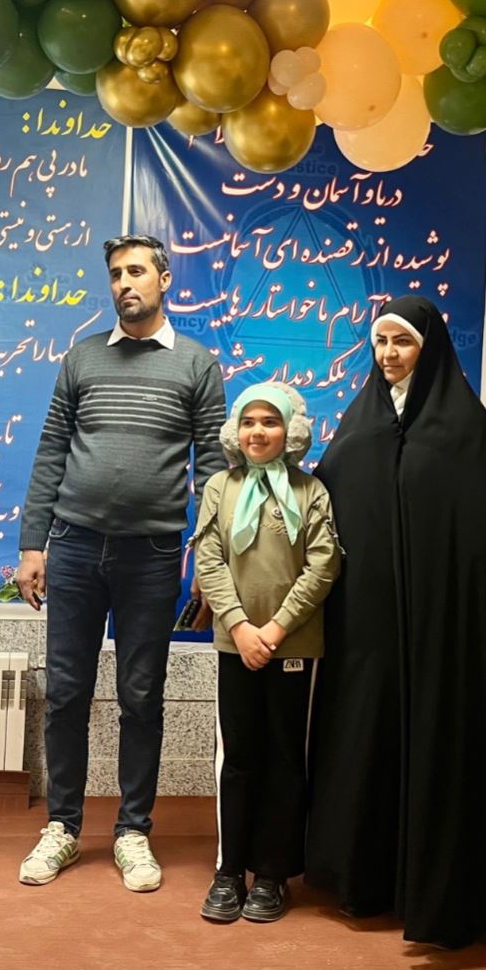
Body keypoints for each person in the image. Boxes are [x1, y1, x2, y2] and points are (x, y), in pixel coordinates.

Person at [305, 295, 486, 948]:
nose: (388, 354)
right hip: (367, 630)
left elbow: (480, 540)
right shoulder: (359, 426)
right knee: (365, 731)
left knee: (438, 732)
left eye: (401, 342)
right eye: (380, 342)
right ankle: (362, 876)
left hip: (440, 629)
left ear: (428, 349)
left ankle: (438, 890)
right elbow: (324, 509)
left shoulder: (464, 431)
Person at [15, 234, 226, 893]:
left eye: (136, 271)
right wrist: (32, 545)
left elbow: (213, 469)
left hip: (153, 555)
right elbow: (52, 450)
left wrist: (209, 559)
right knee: (66, 693)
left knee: (141, 697)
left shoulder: (196, 364)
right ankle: (62, 827)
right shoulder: (82, 358)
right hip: (75, 547)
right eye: (115, 274)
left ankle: (133, 831)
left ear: (164, 280)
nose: (124, 283)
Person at [192, 383, 340, 923]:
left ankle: (273, 874)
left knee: (284, 757)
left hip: (293, 646)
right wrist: (240, 626)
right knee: (238, 758)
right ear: (236, 430)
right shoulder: (220, 487)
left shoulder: (311, 491)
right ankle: (230, 870)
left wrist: (274, 630)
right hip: (236, 645)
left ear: (291, 430)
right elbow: (209, 558)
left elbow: (323, 565)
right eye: (249, 421)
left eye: (270, 422)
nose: (258, 431)